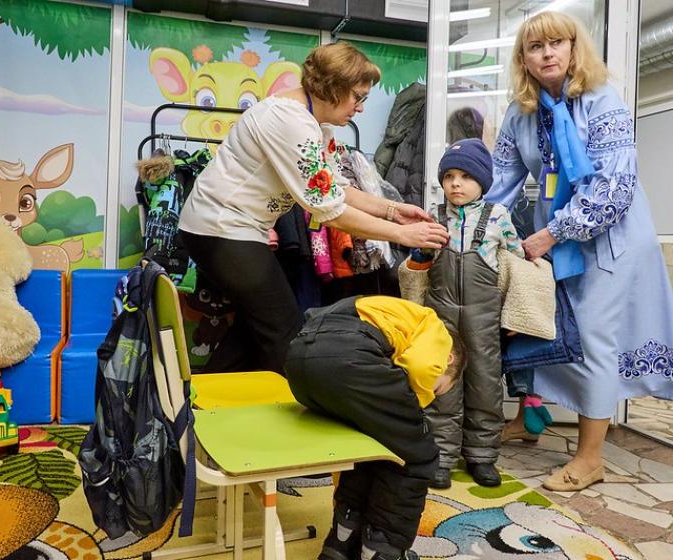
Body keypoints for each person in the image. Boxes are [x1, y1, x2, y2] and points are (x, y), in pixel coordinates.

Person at [178, 41, 449, 375]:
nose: (360, 108)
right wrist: (402, 234)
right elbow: (329, 210)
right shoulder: (289, 120)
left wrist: (393, 210)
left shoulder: (315, 124)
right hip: (220, 229)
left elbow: (336, 186)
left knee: (256, 327)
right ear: (333, 87)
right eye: (357, 97)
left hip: (230, 229)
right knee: (283, 329)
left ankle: (207, 396)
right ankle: (281, 401)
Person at [487, 11, 673, 492]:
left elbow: (614, 188)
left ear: (574, 48)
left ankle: (590, 459)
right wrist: (472, 226)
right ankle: (530, 418)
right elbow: (500, 182)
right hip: (555, 237)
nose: (547, 53)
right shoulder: (520, 113)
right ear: (523, 59)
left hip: (610, 240)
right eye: (535, 47)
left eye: (557, 43)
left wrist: (552, 234)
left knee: (592, 338)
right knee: (544, 326)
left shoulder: (602, 100)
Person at [284, 295, 462, 560]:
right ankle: (381, 550)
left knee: (370, 446)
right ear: (448, 360)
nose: (431, 397)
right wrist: (414, 407)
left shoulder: (387, 312)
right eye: (438, 389)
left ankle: (342, 542)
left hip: (299, 364)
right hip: (349, 358)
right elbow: (421, 365)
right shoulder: (436, 330)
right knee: (416, 456)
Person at [404, 139, 524, 490]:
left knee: (485, 384)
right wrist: (420, 252)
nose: (456, 183)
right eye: (449, 176)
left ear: (483, 181)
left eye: (466, 176)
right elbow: (417, 265)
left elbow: (516, 265)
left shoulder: (498, 217)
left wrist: (516, 313)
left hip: (483, 317)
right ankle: (440, 455)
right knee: (442, 382)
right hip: (440, 315)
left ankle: (482, 455)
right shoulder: (434, 217)